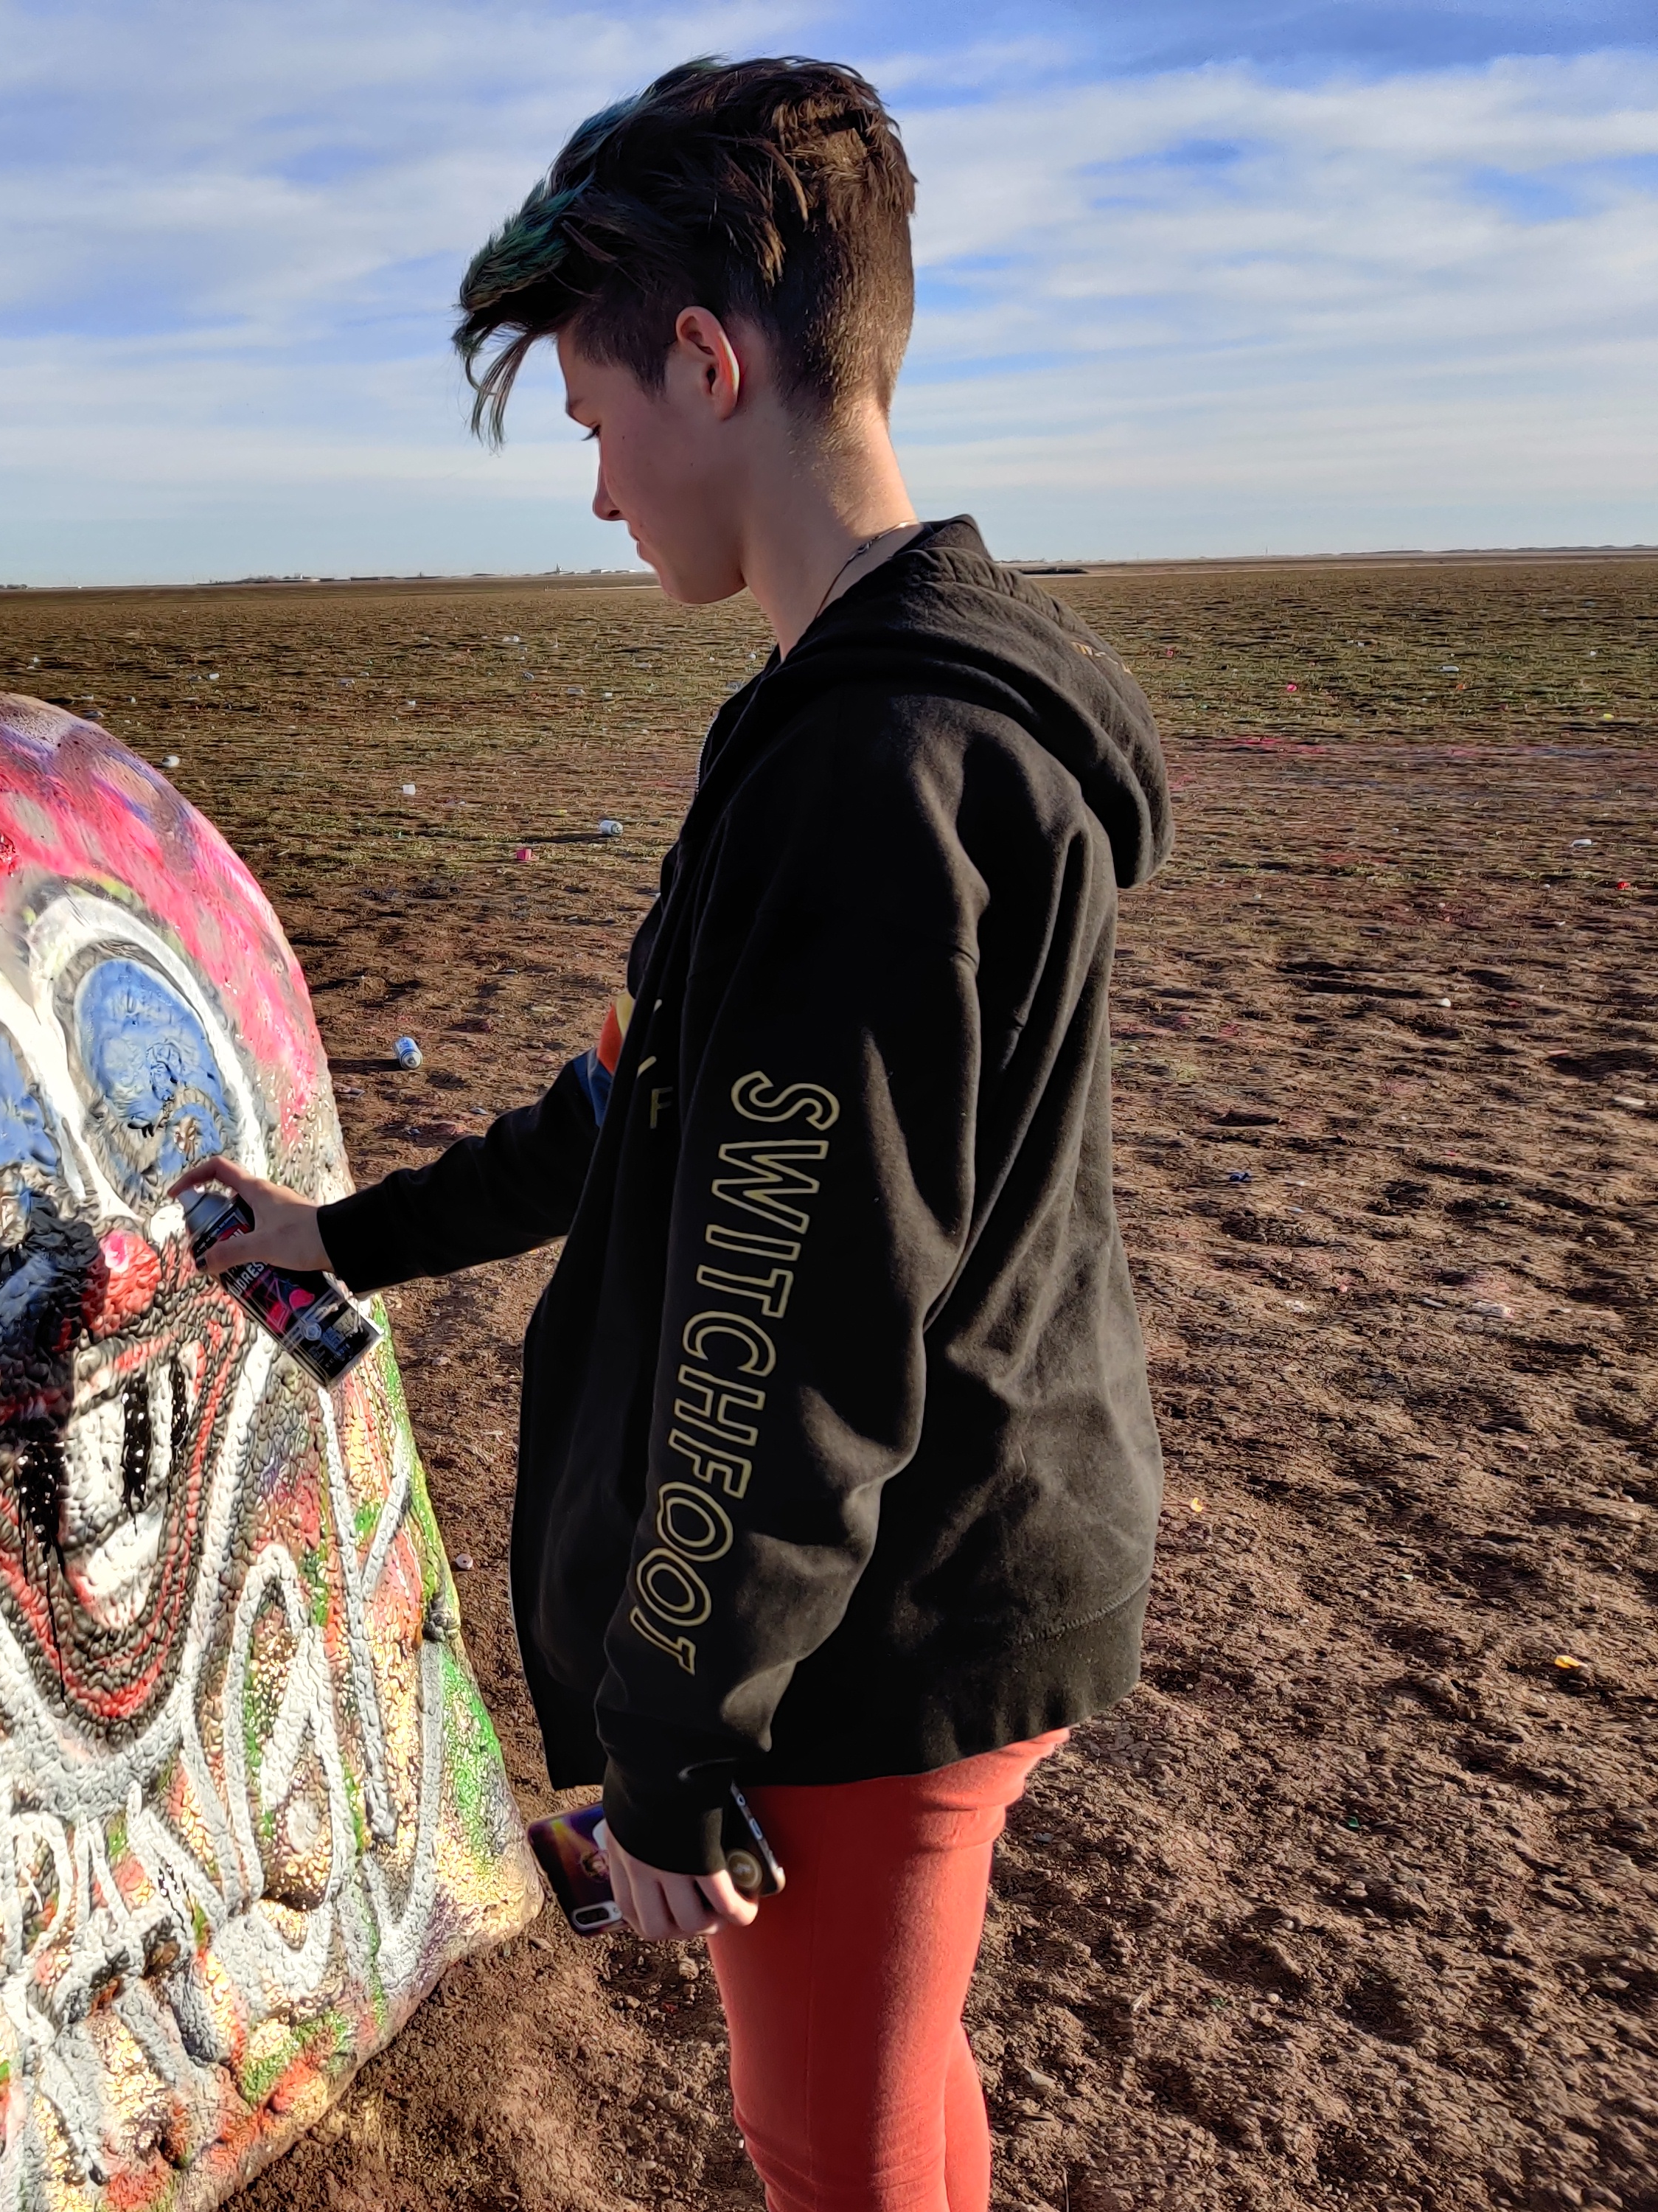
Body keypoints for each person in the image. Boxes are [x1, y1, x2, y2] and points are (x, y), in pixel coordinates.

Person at [175, 55, 1169, 2212]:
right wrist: (336, 1237)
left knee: (830, 2151)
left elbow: (792, 1315)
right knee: (897, 2089)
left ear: (710, 362)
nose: (605, 493)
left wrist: (677, 1739)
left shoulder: (874, 776)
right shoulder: (885, 711)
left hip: (878, 1627)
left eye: (596, 421)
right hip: (957, 1558)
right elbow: (631, 1116)